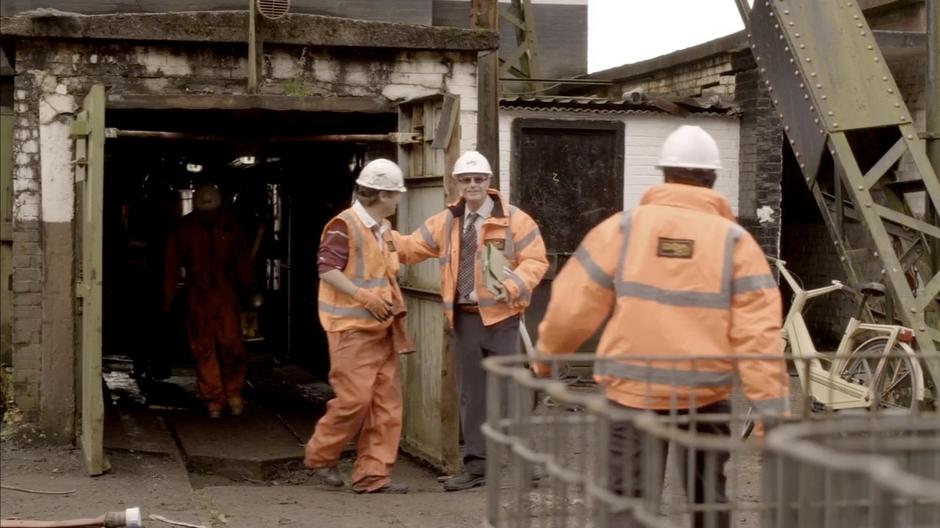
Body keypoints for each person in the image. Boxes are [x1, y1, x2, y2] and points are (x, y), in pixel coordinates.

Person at [532, 125, 790, 527]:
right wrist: (771, 412)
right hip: (704, 395)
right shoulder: (736, 242)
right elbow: (759, 335)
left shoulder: (624, 228)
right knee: (708, 501)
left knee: (627, 502)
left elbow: (570, 306)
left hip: (634, 393)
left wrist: (546, 360)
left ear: (664, 173)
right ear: (713, 178)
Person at [396, 150, 549, 491]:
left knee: (509, 393)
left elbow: (536, 261)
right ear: (457, 184)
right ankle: (478, 468)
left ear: (489, 182)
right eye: (466, 180)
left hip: (503, 318)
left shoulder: (515, 220)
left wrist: (513, 285)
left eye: (479, 179)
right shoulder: (447, 220)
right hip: (464, 319)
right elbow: (410, 247)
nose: (473, 185)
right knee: (472, 396)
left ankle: (529, 463)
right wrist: (376, 232)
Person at [304, 158, 414, 494]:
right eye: (396, 194)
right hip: (350, 329)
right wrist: (363, 296)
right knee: (354, 400)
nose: (399, 200)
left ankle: (372, 475)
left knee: (386, 404)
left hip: (380, 330)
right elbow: (327, 269)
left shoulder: (382, 229)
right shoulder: (344, 225)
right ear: (382, 195)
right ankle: (321, 456)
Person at [164, 183, 254, 419]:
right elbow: (171, 268)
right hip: (199, 296)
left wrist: (249, 291)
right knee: (204, 348)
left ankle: (233, 393)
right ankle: (214, 399)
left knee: (232, 345)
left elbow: (243, 261)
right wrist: (167, 299)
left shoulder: (230, 226)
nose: (209, 215)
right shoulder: (184, 229)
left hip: (226, 295)